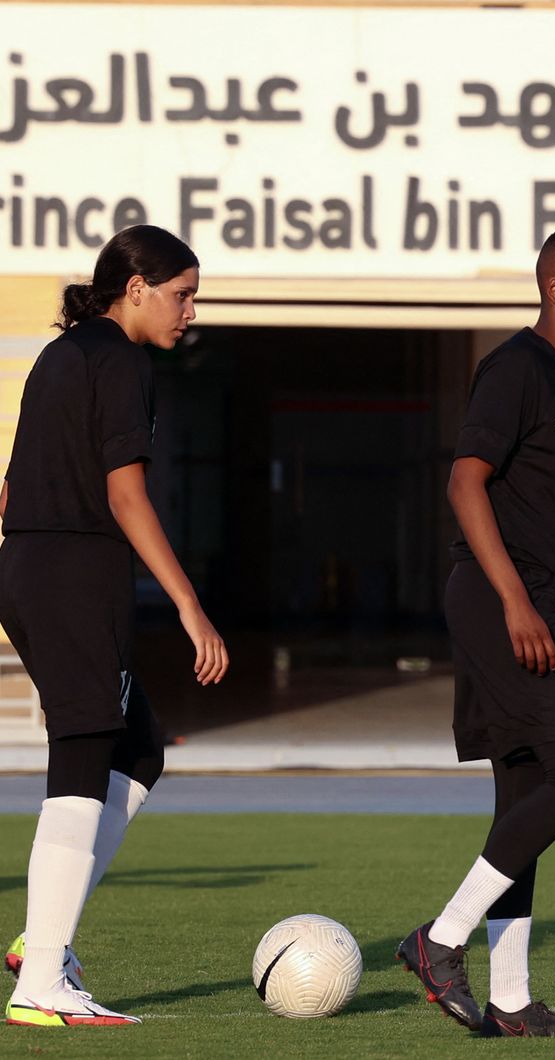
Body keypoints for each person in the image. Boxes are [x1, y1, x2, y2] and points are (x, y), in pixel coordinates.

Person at [396, 226, 555, 1038]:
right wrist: (516, 603)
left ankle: (513, 999)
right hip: (507, 605)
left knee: (527, 793)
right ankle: (441, 939)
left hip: (528, 591)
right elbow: (466, 484)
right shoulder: (514, 369)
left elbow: (523, 498)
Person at [0, 225, 228, 1027]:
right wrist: (190, 604)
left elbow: (9, 489)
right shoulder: (121, 361)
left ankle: (41, 940)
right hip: (73, 574)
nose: (190, 310)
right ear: (136, 288)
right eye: (182, 293)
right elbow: (126, 495)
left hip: (30, 570)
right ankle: (40, 987)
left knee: (137, 748)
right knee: (86, 749)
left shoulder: (61, 356)